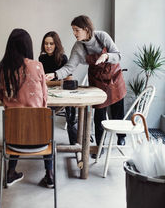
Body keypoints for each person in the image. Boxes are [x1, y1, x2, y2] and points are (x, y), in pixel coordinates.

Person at [46, 15, 126, 159]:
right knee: (99, 115)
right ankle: (99, 146)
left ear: (86, 29)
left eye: (77, 30)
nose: (74, 33)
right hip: (97, 81)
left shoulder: (102, 36)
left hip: (114, 78)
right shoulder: (78, 46)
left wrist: (106, 56)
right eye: (73, 30)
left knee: (117, 110)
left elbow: (118, 55)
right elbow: (69, 67)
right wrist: (55, 74)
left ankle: (121, 136)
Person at [0, 28, 54, 188]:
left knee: (17, 120)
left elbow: (1, 98)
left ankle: (10, 172)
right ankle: (50, 175)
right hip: (40, 138)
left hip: (13, 140)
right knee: (44, 124)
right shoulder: (37, 66)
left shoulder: (0, 71)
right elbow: (44, 100)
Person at [39, 31, 77, 145]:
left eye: (51, 43)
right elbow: (42, 80)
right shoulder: (42, 58)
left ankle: (74, 142)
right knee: (41, 108)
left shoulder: (62, 58)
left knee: (71, 109)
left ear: (56, 45)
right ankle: (44, 140)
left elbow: (69, 79)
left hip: (62, 93)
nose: (48, 46)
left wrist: (54, 82)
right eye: (46, 43)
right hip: (48, 93)